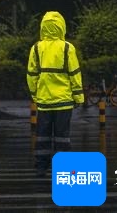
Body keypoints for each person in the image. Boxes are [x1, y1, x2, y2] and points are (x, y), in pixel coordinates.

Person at [27, 11, 84, 177]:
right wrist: (79, 97)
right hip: (64, 101)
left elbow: (31, 75)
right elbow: (74, 74)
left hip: (44, 101)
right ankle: (64, 168)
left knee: (42, 135)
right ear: (62, 27)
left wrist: (35, 95)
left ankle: (41, 167)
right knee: (62, 136)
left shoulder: (36, 48)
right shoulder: (67, 48)